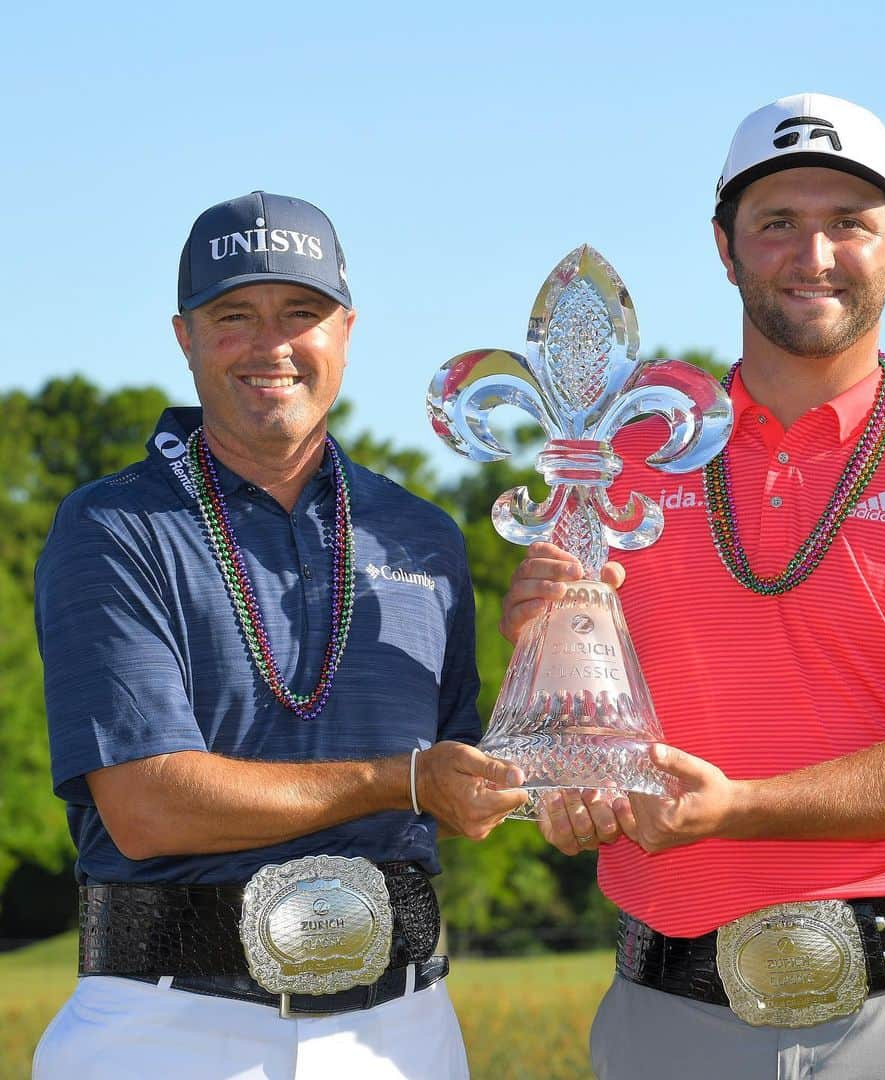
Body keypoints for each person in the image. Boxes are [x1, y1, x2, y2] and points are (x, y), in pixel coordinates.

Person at [500, 94, 885, 1079]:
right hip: (667, 1009)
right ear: (725, 247)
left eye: (850, 221)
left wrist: (743, 807)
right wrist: (555, 722)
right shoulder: (617, 459)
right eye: (777, 224)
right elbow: (576, 724)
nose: (816, 255)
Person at [33, 190, 527, 1079]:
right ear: (184, 337)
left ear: (346, 330)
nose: (272, 346)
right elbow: (147, 809)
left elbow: (460, 791)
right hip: (167, 1024)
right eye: (234, 316)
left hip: (401, 1028)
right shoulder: (113, 526)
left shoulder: (422, 534)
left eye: (302, 313)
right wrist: (402, 780)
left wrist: (548, 650)